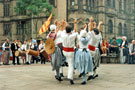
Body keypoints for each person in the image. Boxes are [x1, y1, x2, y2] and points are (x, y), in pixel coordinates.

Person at [61, 19, 78, 85]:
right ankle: (70, 77)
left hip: (64, 51)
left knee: (68, 60)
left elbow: (63, 30)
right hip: (71, 52)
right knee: (71, 65)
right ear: (71, 31)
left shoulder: (63, 35)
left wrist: (64, 23)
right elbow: (75, 31)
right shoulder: (72, 35)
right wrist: (75, 23)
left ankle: (66, 62)